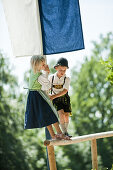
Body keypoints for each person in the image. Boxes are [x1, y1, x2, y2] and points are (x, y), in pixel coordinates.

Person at [24, 55, 70, 140]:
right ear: (36, 65)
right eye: (43, 64)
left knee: (45, 116)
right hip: (38, 96)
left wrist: (44, 70)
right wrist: (47, 72)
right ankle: (59, 133)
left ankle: (53, 135)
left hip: (33, 97)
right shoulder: (39, 76)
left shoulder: (33, 72)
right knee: (51, 112)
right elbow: (48, 85)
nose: (45, 66)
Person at [49, 58, 72, 137]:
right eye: (60, 70)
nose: (62, 72)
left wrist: (54, 95)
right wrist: (49, 95)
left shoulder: (67, 78)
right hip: (56, 99)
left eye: (64, 70)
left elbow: (65, 91)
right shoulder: (51, 78)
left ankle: (66, 130)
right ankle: (65, 133)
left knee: (66, 115)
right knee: (61, 114)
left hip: (64, 98)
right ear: (56, 68)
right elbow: (47, 87)